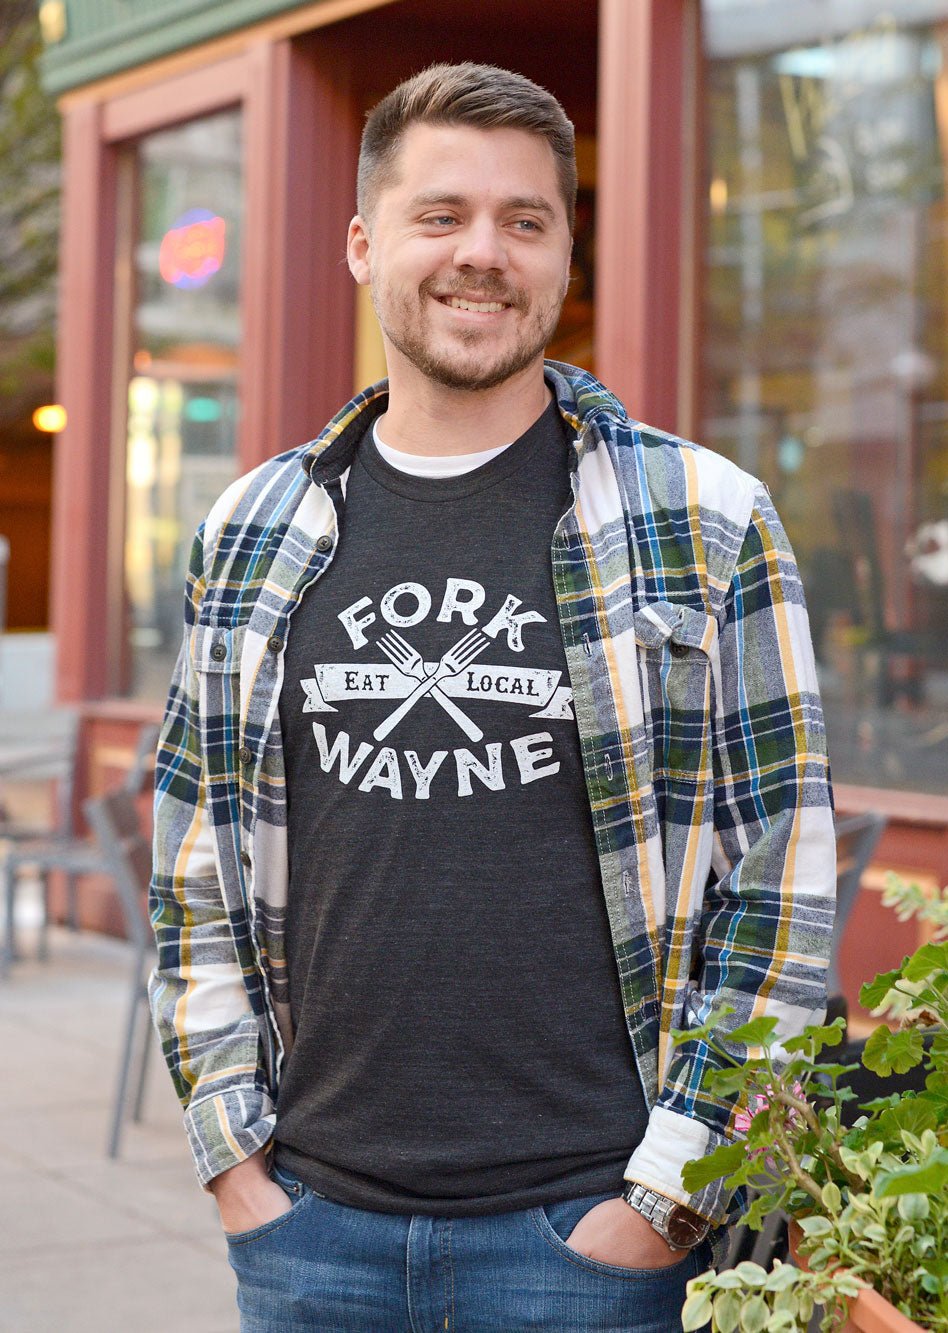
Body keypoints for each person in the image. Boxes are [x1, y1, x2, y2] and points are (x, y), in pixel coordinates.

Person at [149, 62, 836, 1332]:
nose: (485, 254)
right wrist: (237, 1169)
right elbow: (197, 875)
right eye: (441, 215)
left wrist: (661, 1206)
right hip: (309, 1228)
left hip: (590, 1239)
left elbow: (778, 891)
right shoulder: (248, 530)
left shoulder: (705, 521)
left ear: (566, 254)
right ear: (363, 244)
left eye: (527, 221)